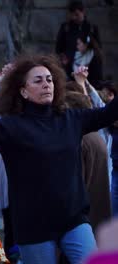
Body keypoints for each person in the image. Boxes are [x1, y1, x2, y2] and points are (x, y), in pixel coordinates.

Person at [0, 54, 118, 263]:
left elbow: (107, 114)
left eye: (50, 79)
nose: (46, 84)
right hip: (34, 227)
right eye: (38, 80)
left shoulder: (70, 118)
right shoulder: (12, 126)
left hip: (74, 221)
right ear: (23, 91)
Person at [64, 90, 111, 232]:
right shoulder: (95, 136)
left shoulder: (80, 139)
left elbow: (75, 182)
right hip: (98, 217)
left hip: (83, 221)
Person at [55, 1, 101, 79]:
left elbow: (98, 47)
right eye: (72, 15)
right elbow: (59, 47)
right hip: (71, 66)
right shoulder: (66, 28)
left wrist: (87, 46)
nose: (74, 17)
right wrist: (63, 57)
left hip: (90, 67)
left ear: (83, 12)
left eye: (77, 14)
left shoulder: (91, 28)